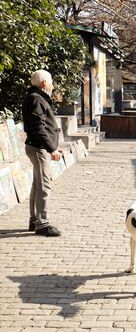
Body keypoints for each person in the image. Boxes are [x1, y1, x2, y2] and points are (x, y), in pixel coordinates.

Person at [22, 70, 62, 237]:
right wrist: (51, 148)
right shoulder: (36, 99)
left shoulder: (36, 98)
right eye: (51, 82)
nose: (52, 86)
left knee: (37, 185)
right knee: (44, 186)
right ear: (45, 83)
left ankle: (34, 219)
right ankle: (42, 223)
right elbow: (39, 127)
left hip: (37, 147)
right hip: (39, 148)